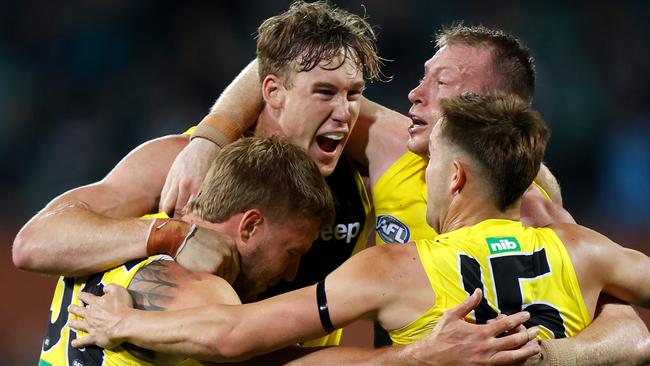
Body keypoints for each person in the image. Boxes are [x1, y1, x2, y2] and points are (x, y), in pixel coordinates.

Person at [14, 2, 538, 363]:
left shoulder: (371, 179)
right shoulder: (185, 163)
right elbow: (35, 243)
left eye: (354, 94)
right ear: (273, 92)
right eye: (325, 92)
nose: (343, 113)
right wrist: (168, 234)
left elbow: (517, 180)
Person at [164, 22, 649, 359]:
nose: (416, 93)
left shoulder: (532, 205)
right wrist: (210, 136)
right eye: (422, 76)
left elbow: (628, 334)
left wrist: (528, 356)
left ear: (489, 109)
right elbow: (287, 69)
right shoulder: (393, 143)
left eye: (441, 82)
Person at [68, 93, 650, 365]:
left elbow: (232, 336)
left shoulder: (395, 269)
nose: (421, 181)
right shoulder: (586, 251)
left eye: (433, 167)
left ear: (455, 180)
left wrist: (127, 320)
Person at [37, 137, 335, 365]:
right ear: (251, 225)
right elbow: (236, 340)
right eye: (292, 252)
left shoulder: (112, 237)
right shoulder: (201, 291)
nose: (292, 272)